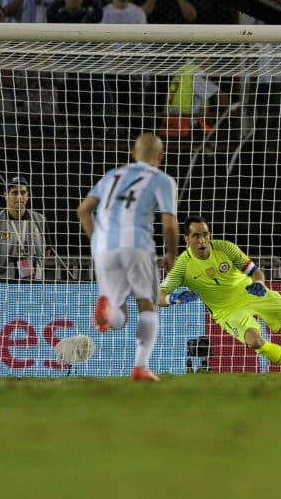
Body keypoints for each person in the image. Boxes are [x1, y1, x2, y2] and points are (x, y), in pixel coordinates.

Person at [160, 216, 281, 371]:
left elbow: (255, 271)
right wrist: (172, 298)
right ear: (186, 238)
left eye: (205, 234)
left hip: (252, 293)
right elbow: (158, 296)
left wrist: (260, 283)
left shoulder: (225, 248)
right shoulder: (182, 266)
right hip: (227, 311)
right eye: (196, 236)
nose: (202, 241)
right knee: (255, 342)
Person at [77, 134, 180, 382]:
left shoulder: (112, 175)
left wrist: (96, 242)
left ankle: (109, 311)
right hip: (136, 244)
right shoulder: (161, 179)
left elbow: (83, 210)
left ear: (133, 154)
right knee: (148, 303)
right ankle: (140, 367)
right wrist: (171, 254)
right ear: (160, 156)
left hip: (103, 248)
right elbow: (169, 225)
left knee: (118, 316)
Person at [0, 175, 48, 280]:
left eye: (23, 192)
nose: (19, 197)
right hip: (4, 285)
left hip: (35, 284)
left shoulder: (40, 220)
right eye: (14, 193)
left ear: (28, 195)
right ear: (5, 195)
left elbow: (47, 251)